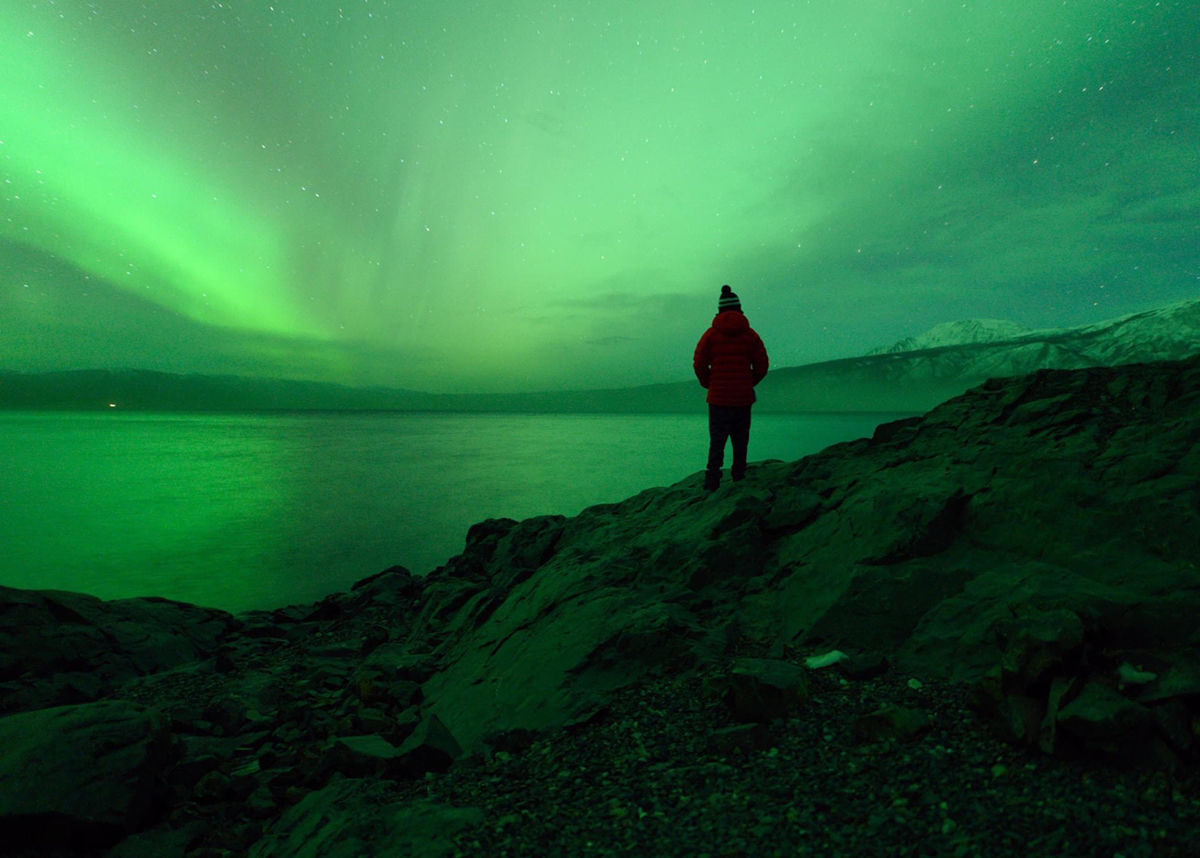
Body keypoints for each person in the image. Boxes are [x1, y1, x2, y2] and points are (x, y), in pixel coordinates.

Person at [693, 285, 769, 491]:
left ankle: (712, 480)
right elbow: (762, 365)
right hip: (743, 398)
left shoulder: (710, 335)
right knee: (740, 439)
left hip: (718, 398)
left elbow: (699, 363)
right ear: (739, 309)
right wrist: (747, 382)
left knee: (717, 440)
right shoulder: (751, 335)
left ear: (719, 310)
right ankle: (738, 476)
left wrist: (709, 384)